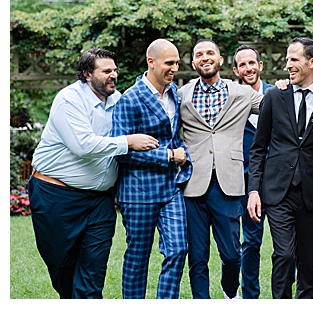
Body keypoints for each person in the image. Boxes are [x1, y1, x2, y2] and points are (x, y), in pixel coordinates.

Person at [29, 48, 160, 299]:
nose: (114, 75)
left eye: (115, 70)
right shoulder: (69, 100)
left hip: (100, 201)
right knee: (62, 266)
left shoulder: (119, 100)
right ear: (88, 74)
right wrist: (128, 141)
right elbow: (83, 145)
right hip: (56, 195)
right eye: (107, 71)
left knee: (94, 267)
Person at [245, 37, 313, 299]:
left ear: (312, 62)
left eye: (294, 59)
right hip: (277, 191)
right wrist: (254, 191)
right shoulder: (275, 96)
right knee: (284, 254)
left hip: (310, 193)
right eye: (287, 60)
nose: (288, 65)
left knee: (307, 260)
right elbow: (258, 148)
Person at [179, 40, 263, 299]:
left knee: (231, 254)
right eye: (199, 55)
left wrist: (285, 88)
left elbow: (276, 109)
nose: (205, 58)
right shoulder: (180, 94)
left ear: (220, 59)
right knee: (197, 256)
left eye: (210, 53)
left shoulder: (242, 93)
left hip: (229, 183)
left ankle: (230, 291)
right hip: (193, 184)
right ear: (193, 63)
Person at [111, 39, 192, 299]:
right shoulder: (129, 100)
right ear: (151, 62)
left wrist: (182, 155)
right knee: (138, 258)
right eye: (169, 63)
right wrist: (167, 155)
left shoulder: (173, 93)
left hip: (171, 189)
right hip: (138, 192)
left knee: (178, 249)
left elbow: (174, 137)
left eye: (177, 62)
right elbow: (121, 152)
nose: (174, 68)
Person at [232, 44, 274, 298]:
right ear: (236, 70)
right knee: (251, 241)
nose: (248, 68)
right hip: (247, 180)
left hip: (279, 180)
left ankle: (283, 291)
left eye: (252, 63)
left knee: (286, 244)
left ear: (260, 65)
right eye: (242, 64)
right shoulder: (231, 98)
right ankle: (250, 296)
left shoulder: (279, 94)